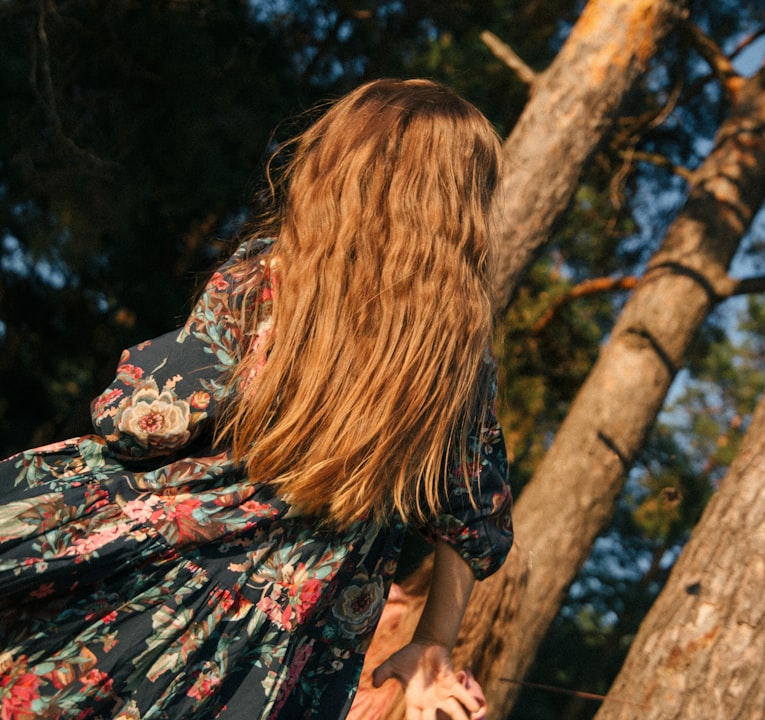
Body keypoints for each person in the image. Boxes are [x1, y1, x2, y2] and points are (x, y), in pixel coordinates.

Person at [0, 78, 513, 720]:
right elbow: (476, 524)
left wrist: (141, 367)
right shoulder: (456, 363)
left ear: (339, 167)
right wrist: (432, 643)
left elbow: (143, 426)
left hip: (144, 590)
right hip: (265, 658)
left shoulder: (267, 280)